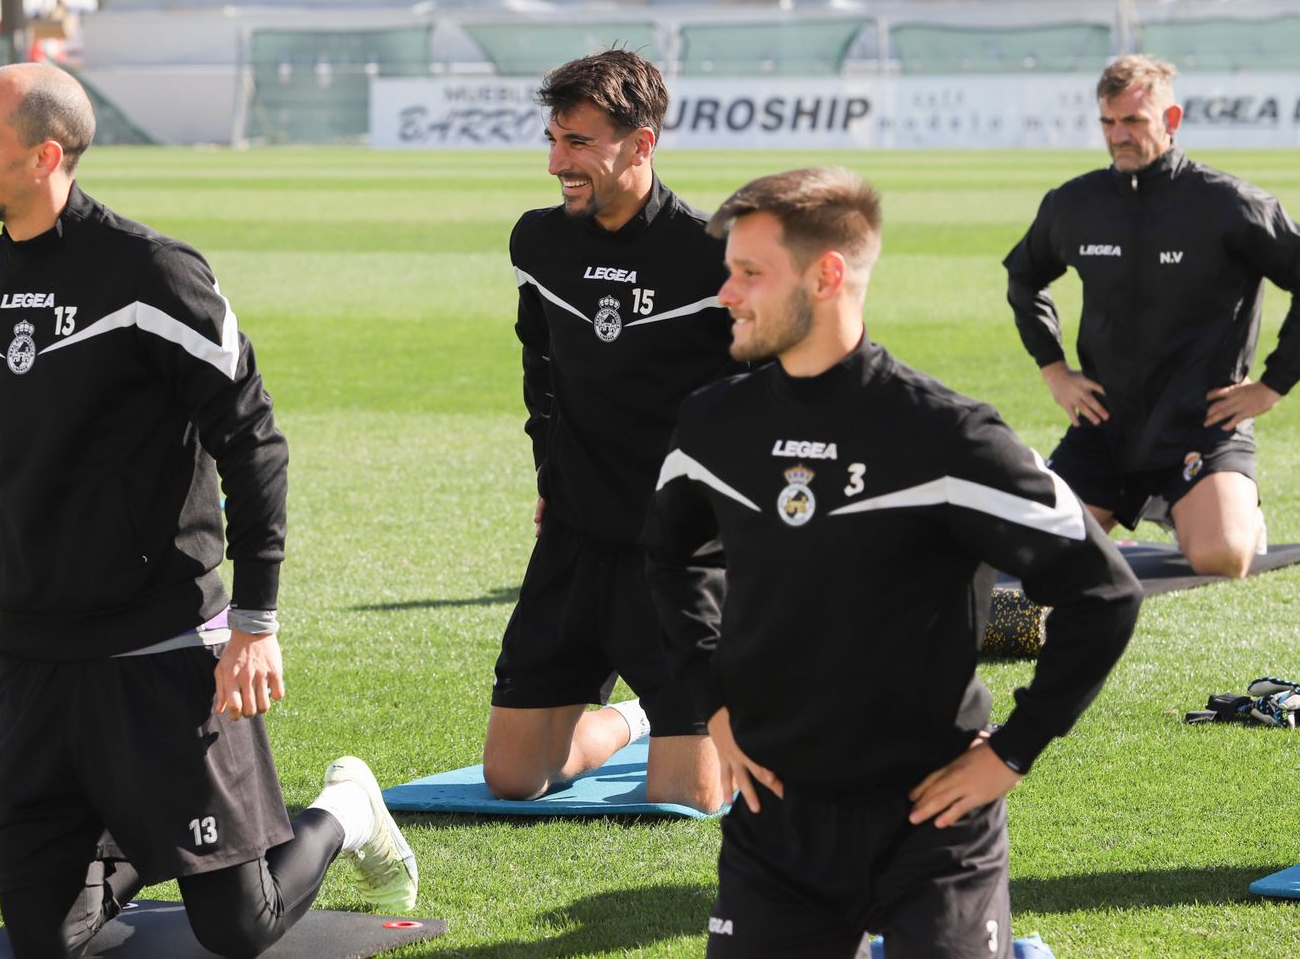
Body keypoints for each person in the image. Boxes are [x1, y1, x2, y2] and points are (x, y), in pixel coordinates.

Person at [0, 63, 416, 959]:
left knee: (238, 929)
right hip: (42, 654)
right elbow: (2, 451)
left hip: (160, 645)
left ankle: (348, 806)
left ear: (46, 154)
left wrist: (256, 618)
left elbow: (254, 441)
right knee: (47, 942)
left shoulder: (153, 273)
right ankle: (143, 816)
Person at [644, 168, 1142, 957]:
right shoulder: (713, 424)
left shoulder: (948, 434)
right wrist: (712, 704)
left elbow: (1103, 592)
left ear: (827, 274)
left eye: (749, 273)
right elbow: (671, 561)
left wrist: (1015, 749)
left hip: (933, 823)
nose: (725, 294)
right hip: (777, 822)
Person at [483, 49, 736, 813]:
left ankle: (723, 710)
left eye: (580, 143)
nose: (559, 161)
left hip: (678, 549)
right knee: (512, 778)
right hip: (576, 534)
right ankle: (632, 718)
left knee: (686, 799)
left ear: (642, 143)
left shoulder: (711, 254)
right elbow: (543, 371)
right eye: (554, 139)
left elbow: (765, 396)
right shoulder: (538, 242)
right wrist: (549, 477)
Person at [1005, 54, 1300, 578]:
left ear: (1172, 120)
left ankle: (1223, 508)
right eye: (1108, 122)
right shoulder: (1075, 204)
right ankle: (1167, 502)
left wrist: (1273, 385)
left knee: (1222, 556)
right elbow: (1025, 278)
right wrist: (1054, 371)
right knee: (1027, 558)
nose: (1118, 135)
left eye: (1134, 121)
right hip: (1105, 425)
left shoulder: (1230, 204)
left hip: (1202, 426)